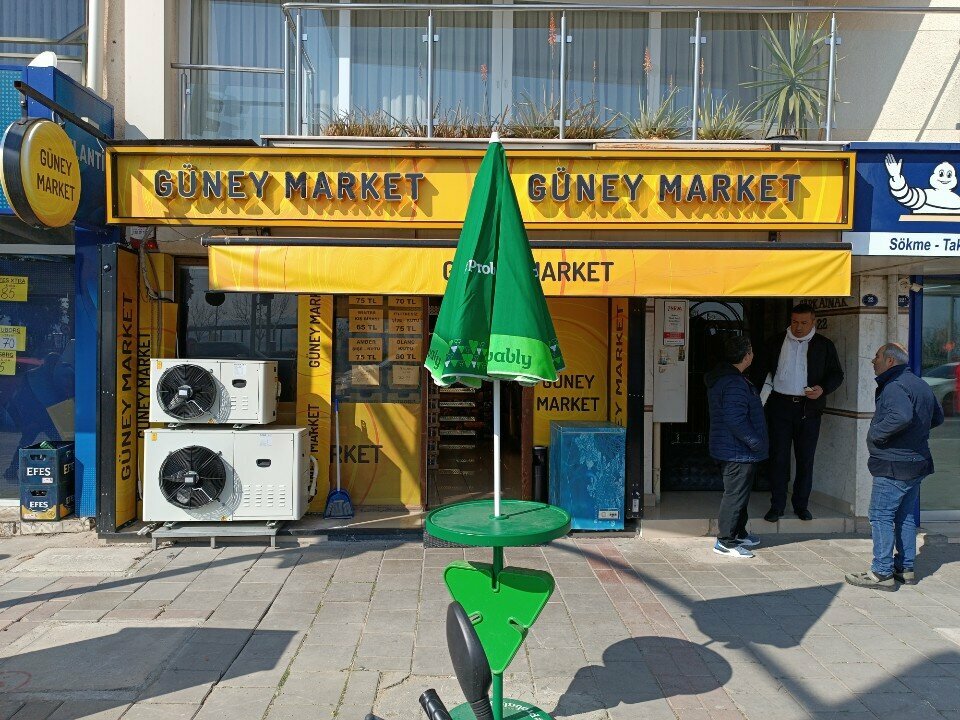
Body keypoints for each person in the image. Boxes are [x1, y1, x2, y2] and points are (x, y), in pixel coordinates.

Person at [846, 343, 944, 591]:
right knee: (905, 516)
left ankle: (881, 572)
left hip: (894, 464)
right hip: (916, 462)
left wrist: (876, 434)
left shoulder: (894, 385)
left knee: (880, 515)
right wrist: (913, 435)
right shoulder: (919, 383)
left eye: (876, 356)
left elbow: (901, 416)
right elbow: (938, 417)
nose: (873, 361)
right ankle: (905, 569)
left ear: (890, 361)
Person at [756, 303, 843, 522]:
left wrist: (822, 389)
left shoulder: (824, 345)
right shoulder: (775, 342)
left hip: (809, 408)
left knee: (805, 459)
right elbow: (761, 370)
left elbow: (836, 374)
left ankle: (801, 505)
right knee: (778, 458)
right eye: (795, 322)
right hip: (779, 406)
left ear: (813, 321)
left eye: (804, 322)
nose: (798, 327)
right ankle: (777, 506)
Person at [706, 335, 768, 559]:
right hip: (737, 451)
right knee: (734, 495)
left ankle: (739, 533)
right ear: (746, 356)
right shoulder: (733, 382)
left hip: (734, 449)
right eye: (751, 350)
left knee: (740, 494)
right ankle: (726, 541)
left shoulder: (729, 378)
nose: (753, 354)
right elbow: (736, 420)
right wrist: (755, 442)